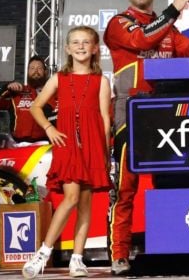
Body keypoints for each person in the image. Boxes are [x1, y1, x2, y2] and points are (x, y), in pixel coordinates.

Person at [104, 0, 189, 276]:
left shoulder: (168, 29)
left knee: (171, 183)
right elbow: (140, 41)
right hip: (132, 113)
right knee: (125, 188)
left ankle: (173, 247)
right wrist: (174, 10)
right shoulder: (118, 23)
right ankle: (120, 254)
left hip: (167, 113)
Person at [22, 26, 112, 279]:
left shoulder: (101, 81)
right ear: (67, 48)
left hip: (93, 148)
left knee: (85, 204)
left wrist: (104, 155)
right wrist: (49, 128)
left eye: (86, 42)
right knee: (71, 198)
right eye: (76, 42)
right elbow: (37, 107)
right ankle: (42, 254)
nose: (81, 46)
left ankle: (77, 259)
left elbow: (105, 119)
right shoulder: (59, 78)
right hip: (67, 146)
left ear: (95, 48)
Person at [0, 55, 56, 142]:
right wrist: (6, 87)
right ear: (27, 72)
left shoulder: (52, 92)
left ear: (45, 72)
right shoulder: (17, 91)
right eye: (32, 68)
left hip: (45, 143)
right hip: (18, 144)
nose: (36, 71)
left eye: (39, 68)